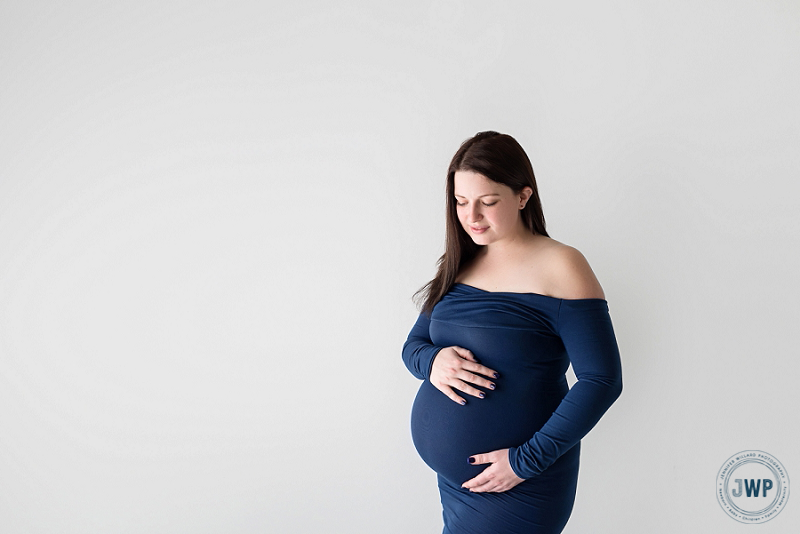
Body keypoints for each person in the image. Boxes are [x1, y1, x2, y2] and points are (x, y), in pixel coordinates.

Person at [401, 131, 623, 534]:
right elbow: (413, 347)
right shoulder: (459, 263)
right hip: (458, 484)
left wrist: (525, 462)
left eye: (488, 202)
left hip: (520, 483)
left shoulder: (562, 265)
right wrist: (434, 361)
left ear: (523, 196)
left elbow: (602, 380)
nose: (471, 217)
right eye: (461, 202)